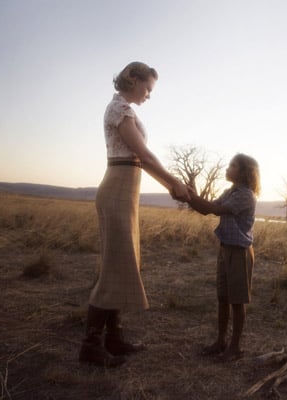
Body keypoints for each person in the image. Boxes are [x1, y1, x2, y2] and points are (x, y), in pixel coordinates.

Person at [79, 61, 191, 367]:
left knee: (123, 263)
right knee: (114, 266)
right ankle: (90, 346)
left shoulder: (125, 109)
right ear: (133, 79)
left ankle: (113, 339)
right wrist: (173, 182)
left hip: (125, 192)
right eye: (148, 88)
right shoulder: (119, 109)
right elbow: (143, 154)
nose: (149, 95)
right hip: (117, 190)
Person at [187, 153, 260, 362]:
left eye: (232, 165)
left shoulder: (245, 194)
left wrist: (189, 195)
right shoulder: (230, 191)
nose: (228, 168)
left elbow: (215, 210)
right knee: (223, 299)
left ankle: (234, 348)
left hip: (239, 251)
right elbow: (206, 210)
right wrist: (187, 196)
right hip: (226, 249)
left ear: (244, 172)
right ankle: (220, 342)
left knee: (237, 302)